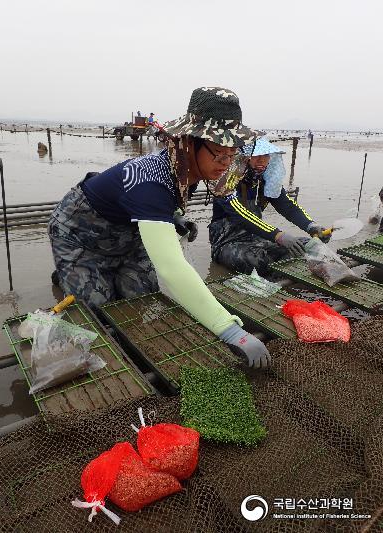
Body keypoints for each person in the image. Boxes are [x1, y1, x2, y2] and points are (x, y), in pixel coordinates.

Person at [48, 87, 270, 369]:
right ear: (190, 143)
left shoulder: (188, 168)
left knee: (140, 301)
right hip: (80, 237)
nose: (226, 165)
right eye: (219, 155)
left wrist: (173, 217)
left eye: (232, 155)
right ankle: (69, 272)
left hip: (130, 235)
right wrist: (228, 329)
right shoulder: (149, 181)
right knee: (97, 315)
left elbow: (170, 200)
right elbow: (172, 268)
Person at [209, 137, 330, 276]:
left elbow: (287, 206)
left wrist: (311, 226)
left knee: (308, 245)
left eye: (266, 155)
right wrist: (277, 235)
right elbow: (240, 215)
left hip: (257, 238)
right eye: (256, 155)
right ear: (245, 157)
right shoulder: (226, 182)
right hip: (227, 242)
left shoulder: (266, 181)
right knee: (254, 261)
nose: (262, 160)